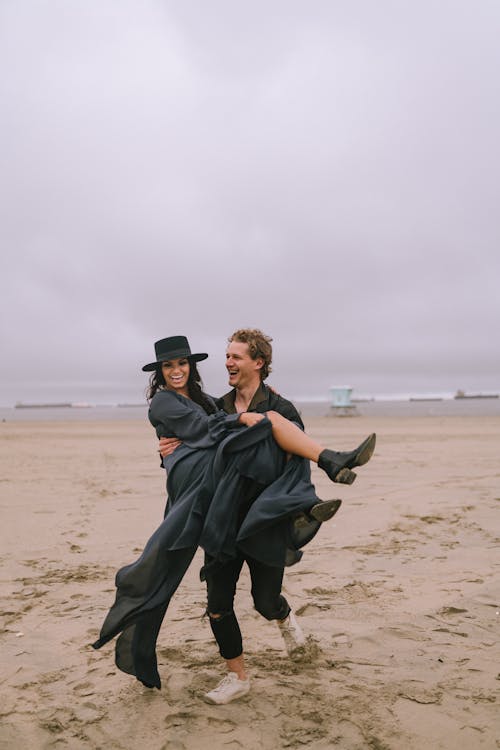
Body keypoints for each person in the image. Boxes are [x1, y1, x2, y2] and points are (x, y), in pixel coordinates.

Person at [93, 334, 375, 698]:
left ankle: (298, 537)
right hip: (220, 511)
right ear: (160, 371)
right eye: (169, 365)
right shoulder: (210, 405)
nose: (227, 362)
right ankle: (237, 677)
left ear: (257, 362)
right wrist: (175, 449)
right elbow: (202, 433)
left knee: (265, 600)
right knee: (218, 604)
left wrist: (245, 426)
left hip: (262, 514)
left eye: (235, 356)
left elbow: (288, 458)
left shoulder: (272, 406)